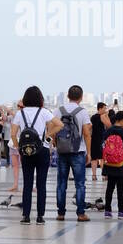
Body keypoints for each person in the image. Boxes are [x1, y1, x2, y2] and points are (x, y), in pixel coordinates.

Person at [11, 87, 53, 224]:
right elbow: (59, 124)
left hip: (26, 151)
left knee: (27, 184)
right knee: (41, 184)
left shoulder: (20, 113)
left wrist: (18, 147)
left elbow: (13, 134)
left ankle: (26, 216)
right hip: (42, 150)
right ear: (40, 98)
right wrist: (47, 136)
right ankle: (40, 216)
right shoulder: (44, 112)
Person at [49, 86, 91, 221]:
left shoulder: (58, 110)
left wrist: (56, 143)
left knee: (61, 183)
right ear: (81, 97)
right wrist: (89, 153)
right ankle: (80, 213)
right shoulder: (83, 112)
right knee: (80, 184)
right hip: (78, 151)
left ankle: (61, 213)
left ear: (68, 95)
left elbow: (52, 130)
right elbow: (86, 133)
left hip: (62, 151)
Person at [102, 111, 123, 217]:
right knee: (120, 188)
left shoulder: (108, 131)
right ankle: (121, 211)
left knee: (109, 187)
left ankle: (107, 210)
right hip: (121, 163)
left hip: (109, 163)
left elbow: (103, 144)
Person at [90, 103, 109, 184]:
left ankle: (94, 176)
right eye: (104, 108)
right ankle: (104, 175)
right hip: (101, 140)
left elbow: (90, 128)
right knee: (102, 158)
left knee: (94, 158)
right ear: (100, 109)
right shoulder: (102, 116)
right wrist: (107, 116)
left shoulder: (93, 117)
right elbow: (109, 125)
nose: (105, 110)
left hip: (93, 139)